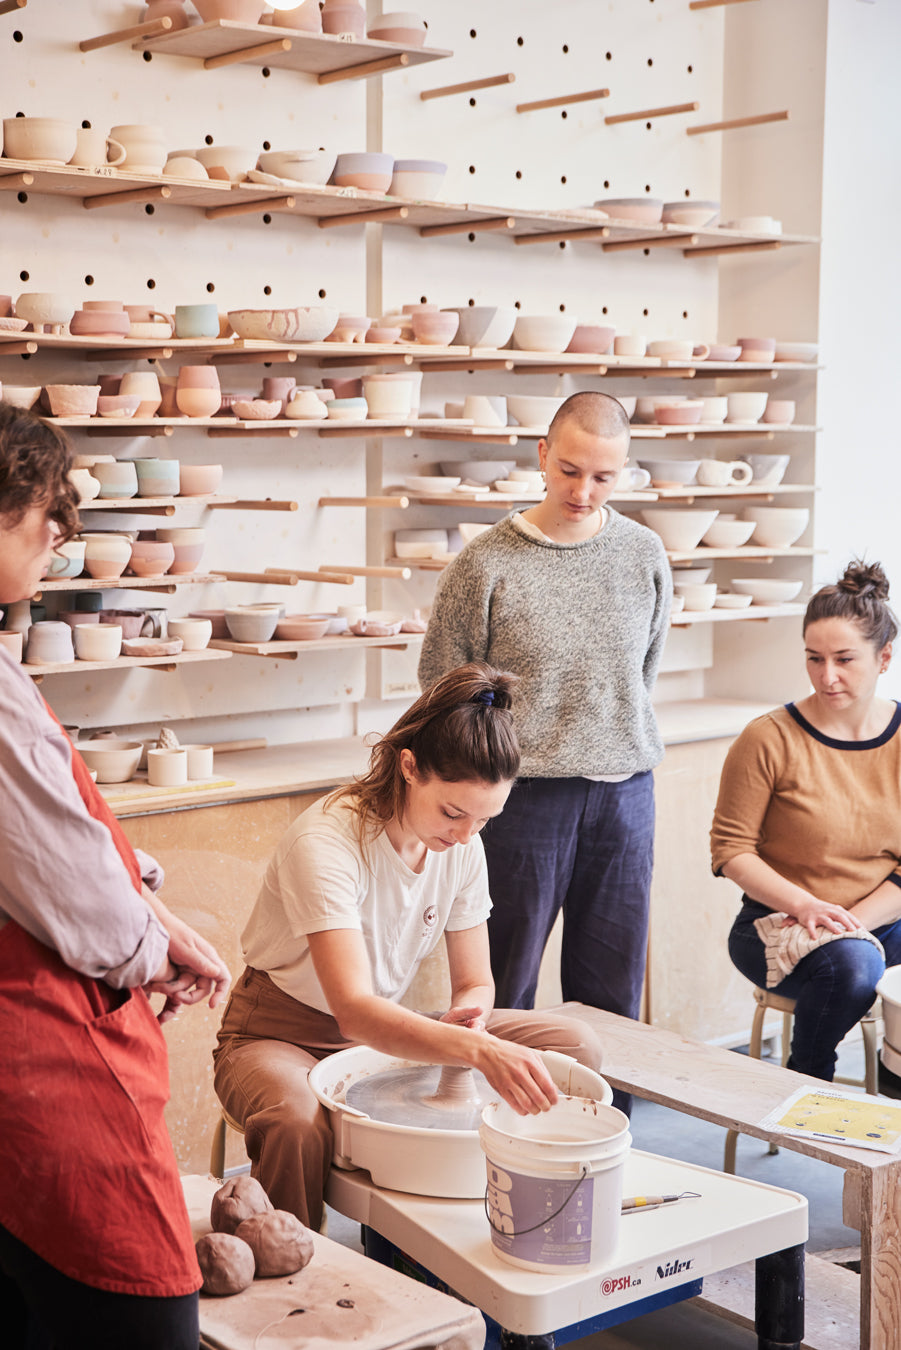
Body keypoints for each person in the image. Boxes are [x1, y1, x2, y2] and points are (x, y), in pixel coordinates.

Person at [213, 662, 603, 1231]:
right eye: (453, 812)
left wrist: (471, 1019)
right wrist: (474, 1052)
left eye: (485, 819)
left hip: (382, 1029)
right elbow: (354, 1009)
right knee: (298, 1122)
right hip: (279, 1033)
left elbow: (474, 981)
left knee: (574, 1047)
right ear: (409, 767)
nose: (466, 835)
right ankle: (292, 1277)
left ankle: (509, 1222)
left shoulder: (461, 844)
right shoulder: (326, 843)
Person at [0, 402, 231, 1350]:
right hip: (39, 1063)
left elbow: (43, 851)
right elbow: (71, 893)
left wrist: (141, 903)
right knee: (142, 1309)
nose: (60, 540)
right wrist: (149, 945)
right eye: (44, 518)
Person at [417, 391, 672, 1042]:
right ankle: (495, 1129)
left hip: (624, 795)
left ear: (624, 473)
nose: (583, 491)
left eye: (602, 477)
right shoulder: (486, 563)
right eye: (568, 470)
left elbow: (640, 672)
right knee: (502, 983)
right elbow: (442, 684)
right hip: (516, 801)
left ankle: (605, 1132)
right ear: (542, 454)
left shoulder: (643, 554)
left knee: (612, 991)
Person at [711, 560, 901, 1083]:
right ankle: (804, 1084)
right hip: (776, 923)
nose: (827, 676)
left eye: (844, 659)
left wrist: (853, 922)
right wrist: (808, 906)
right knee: (853, 966)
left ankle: (894, 1084)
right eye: (814, 659)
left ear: (884, 657)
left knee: (857, 954)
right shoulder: (768, 738)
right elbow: (732, 851)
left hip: (879, 919)